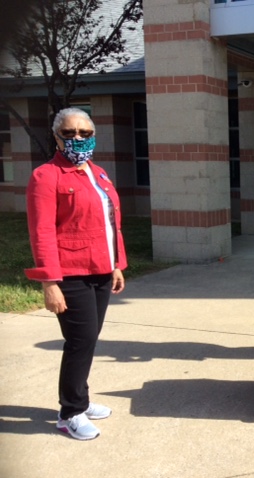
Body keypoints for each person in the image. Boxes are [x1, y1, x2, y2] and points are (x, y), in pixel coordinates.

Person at [25, 107, 127, 440]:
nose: (77, 139)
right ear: (56, 137)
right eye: (69, 133)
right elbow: (41, 232)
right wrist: (49, 282)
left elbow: (111, 224)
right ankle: (69, 412)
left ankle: (80, 400)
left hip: (100, 269)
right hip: (70, 274)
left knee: (88, 340)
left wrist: (116, 264)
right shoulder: (46, 175)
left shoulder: (98, 174)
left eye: (84, 133)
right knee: (79, 341)